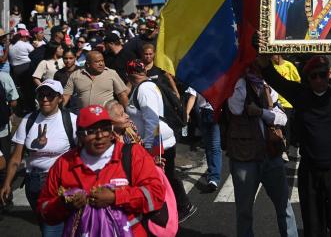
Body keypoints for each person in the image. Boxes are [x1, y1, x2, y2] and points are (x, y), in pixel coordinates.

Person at [258, 48, 331, 236]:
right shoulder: (300, 95)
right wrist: (262, 53)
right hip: (311, 173)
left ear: (329, 74)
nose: (318, 80)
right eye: (313, 76)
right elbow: (274, 79)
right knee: (314, 227)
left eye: (322, 75)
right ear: (307, 78)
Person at [37, 104, 164, 237]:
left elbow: (156, 195)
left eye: (105, 129)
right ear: (79, 135)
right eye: (91, 131)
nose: (100, 136)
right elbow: (44, 210)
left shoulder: (133, 154)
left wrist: (116, 197)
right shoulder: (64, 164)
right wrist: (63, 203)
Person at [225, 64, 298, 237]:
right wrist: (240, 78)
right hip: (245, 158)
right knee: (244, 212)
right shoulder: (237, 85)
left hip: (271, 156)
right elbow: (235, 108)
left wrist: (260, 112)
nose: (258, 66)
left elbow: (282, 118)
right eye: (252, 63)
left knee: (284, 207)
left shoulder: (267, 88)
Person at [0, 80, 76, 236]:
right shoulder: (28, 120)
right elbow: (16, 158)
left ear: (60, 98)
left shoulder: (71, 120)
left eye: (50, 95)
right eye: (41, 95)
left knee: (52, 229)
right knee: (44, 225)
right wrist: (7, 183)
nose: (45, 99)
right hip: (33, 183)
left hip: (60, 183)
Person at [126, 59, 196, 223]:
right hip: (161, 141)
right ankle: (181, 207)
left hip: (158, 143)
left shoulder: (144, 90)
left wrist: (150, 149)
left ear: (129, 75)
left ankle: (177, 210)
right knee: (169, 176)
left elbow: (152, 122)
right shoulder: (147, 85)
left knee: (163, 178)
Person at [63, 51, 129, 110]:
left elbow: (122, 95)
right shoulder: (76, 75)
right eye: (97, 62)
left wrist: (128, 113)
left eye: (102, 61)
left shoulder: (111, 73)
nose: (101, 64)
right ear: (88, 64)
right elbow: (66, 95)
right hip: (85, 117)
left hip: (107, 117)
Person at [185, 87, 221, 192]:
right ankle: (212, 173)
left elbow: (192, 96)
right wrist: (187, 113)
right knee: (209, 146)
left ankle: (214, 178)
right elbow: (192, 96)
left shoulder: (214, 76)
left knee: (214, 146)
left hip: (213, 111)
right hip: (204, 113)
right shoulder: (200, 76)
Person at [270, 54, 300, 161]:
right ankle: (279, 149)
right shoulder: (272, 67)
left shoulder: (289, 66)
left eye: (272, 55)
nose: (271, 57)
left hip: (288, 103)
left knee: (286, 128)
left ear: (278, 55)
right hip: (276, 103)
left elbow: (297, 81)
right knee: (277, 127)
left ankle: (286, 150)